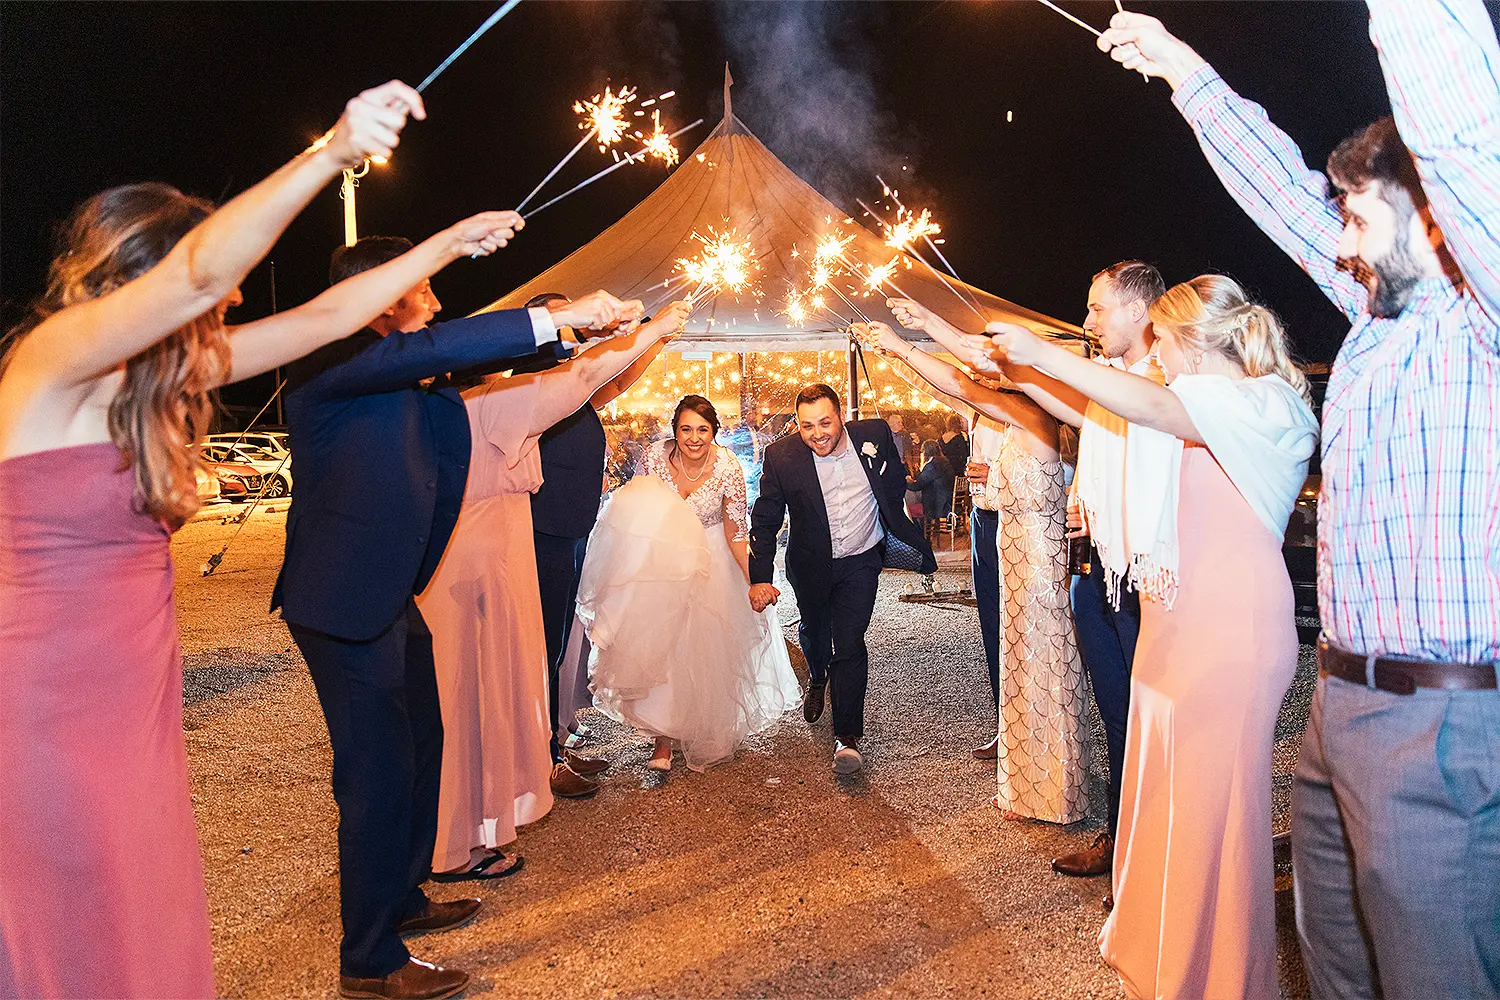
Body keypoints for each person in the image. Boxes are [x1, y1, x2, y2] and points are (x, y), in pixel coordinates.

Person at [0, 80, 506, 999]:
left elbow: (326, 321)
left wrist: (444, 244)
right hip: (49, 704)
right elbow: (199, 275)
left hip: (133, 695)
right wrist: (334, 152)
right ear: (148, 271)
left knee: (140, 913)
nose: (231, 302)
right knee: (76, 923)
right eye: (218, 284)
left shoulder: (158, 375)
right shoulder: (56, 358)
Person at [1096, 6, 1500, 997]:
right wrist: (1184, 71)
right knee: (1338, 970)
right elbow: (1276, 188)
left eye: (1360, 215)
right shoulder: (1374, 316)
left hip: (1439, 726)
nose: (1343, 240)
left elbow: (1461, 133)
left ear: (1434, 213)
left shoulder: (1479, 322)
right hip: (1337, 711)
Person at [271, 225, 640, 998]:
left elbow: (483, 361)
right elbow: (436, 351)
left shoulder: (403, 368)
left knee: (422, 742)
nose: (436, 305)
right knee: (372, 774)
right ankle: (368, 961)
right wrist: (556, 317)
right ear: (377, 295)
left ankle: (402, 896)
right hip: (340, 596)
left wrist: (589, 336)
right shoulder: (335, 356)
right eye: (422, 288)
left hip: (391, 592)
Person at [988, 275, 1318, 1000]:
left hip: (1231, 628)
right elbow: (1100, 405)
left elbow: (1150, 403)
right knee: (1164, 795)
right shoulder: (1191, 405)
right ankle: (1164, 946)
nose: (1154, 357)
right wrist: (1016, 365)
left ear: (1194, 338)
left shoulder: (1265, 406)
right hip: (1176, 621)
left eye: (1161, 342)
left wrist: (1041, 351)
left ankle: (1222, 976)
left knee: (1216, 814)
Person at [892, 266, 1162, 873]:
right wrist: (928, 329)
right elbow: (990, 370)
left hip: (1136, 576)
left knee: (1143, 712)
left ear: (1140, 311)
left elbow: (995, 375)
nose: (1087, 322)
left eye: (1097, 309)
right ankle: (1121, 838)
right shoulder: (1103, 386)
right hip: (1093, 571)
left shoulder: (1160, 388)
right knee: (1116, 710)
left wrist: (927, 331)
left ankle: (1144, 846)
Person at [417, 300, 691, 878]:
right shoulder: (497, 401)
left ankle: (458, 831)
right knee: (480, 696)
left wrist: (649, 341)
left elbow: (593, 382)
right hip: (486, 568)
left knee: (464, 699)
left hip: (464, 562)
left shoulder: (448, 401)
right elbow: (588, 375)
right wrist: (654, 329)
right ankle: (453, 844)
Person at [860, 319, 1089, 826]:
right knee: (1023, 670)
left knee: (1042, 671)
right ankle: (1034, 787)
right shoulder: (1019, 424)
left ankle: (1053, 792)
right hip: (1017, 559)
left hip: (1038, 567)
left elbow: (960, 381)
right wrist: (903, 350)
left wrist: (904, 341)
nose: (988, 378)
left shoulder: (1034, 419)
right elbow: (957, 383)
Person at [580, 395, 802, 771]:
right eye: (686, 429)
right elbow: (635, 513)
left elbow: (736, 533)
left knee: (702, 651)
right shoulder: (654, 459)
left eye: (702, 429)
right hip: (661, 566)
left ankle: (699, 726)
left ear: (713, 431)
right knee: (661, 649)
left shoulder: (728, 466)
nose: (694, 438)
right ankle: (662, 742)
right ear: (675, 431)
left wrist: (756, 580)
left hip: (710, 563)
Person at [521, 292, 675, 799]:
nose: (584, 326)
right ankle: (539, 761)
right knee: (540, 646)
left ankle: (554, 743)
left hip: (569, 529)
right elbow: (599, 378)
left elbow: (611, 386)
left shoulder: (571, 383)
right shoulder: (538, 382)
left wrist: (656, 343)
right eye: (571, 317)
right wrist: (650, 332)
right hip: (542, 531)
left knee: (559, 640)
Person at [747, 384, 936, 774]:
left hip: (861, 561)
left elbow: (894, 477)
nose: (817, 433)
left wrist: (890, 513)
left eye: (825, 422)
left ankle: (846, 736)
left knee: (849, 642)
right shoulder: (781, 457)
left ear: (841, 418)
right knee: (815, 634)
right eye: (807, 426)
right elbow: (764, 520)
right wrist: (759, 578)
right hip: (811, 563)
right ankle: (817, 675)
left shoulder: (876, 435)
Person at [907, 439, 955, 538]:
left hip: (936, 504)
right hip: (946, 500)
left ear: (925, 452)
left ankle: (919, 535)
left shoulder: (932, 465)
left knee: (908, 498)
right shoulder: (945, 462)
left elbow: (917, 486)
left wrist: (906, 481)